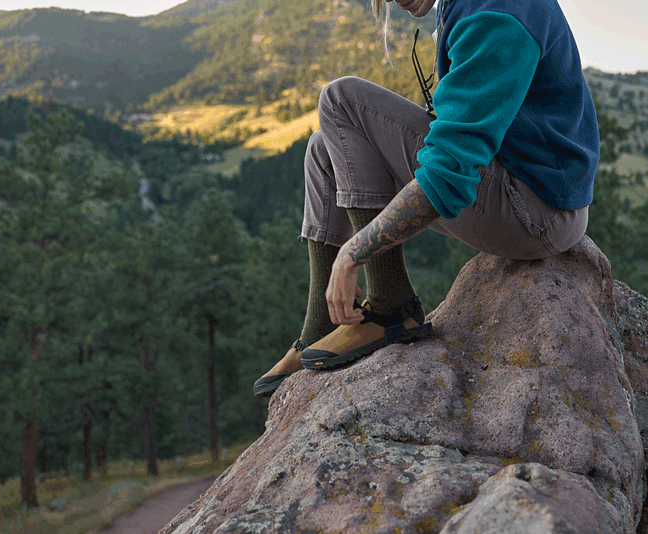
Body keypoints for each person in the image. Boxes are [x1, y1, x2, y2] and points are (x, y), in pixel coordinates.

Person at [253, 0, 599, 397]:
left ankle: (389, 305)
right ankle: (321, 326)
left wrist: (354, 253)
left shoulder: (496, 11)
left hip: (536, 211)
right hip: (516, 185)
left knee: (340, 98)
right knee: (323, 148)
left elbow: (448, 174)